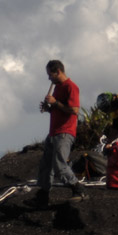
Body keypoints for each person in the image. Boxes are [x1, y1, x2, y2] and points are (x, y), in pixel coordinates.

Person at [27, 60, 85, 207]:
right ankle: (43, 196)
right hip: (54, 132)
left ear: (58, 71)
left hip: (65, 132)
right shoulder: (58, 88)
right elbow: (59, 109)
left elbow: (74, 110)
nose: (49, 78)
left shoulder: (71, 87)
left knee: (59, 164)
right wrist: (49, 108)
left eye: (50, 74)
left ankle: (78, 189)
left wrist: (55, 102)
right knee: (46, 165)